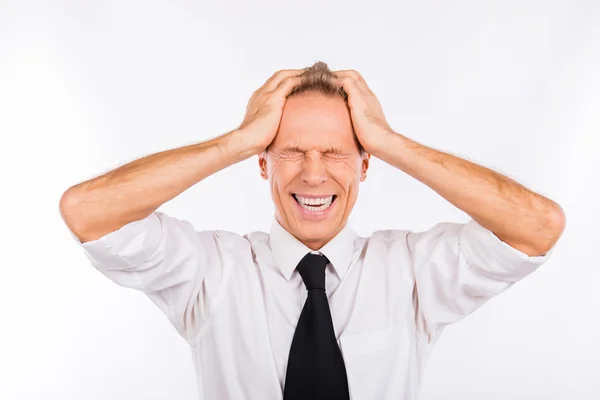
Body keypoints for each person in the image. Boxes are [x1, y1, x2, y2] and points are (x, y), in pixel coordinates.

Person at [59, 61, 566, 400]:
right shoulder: (211, 271)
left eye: (337, 152)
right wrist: (237, 140)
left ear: (366, 166)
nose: (315, 173)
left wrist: (389, 142)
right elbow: (87, 211)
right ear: (263, 165)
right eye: (293, 151)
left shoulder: (410, 272)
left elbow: (538, 226)